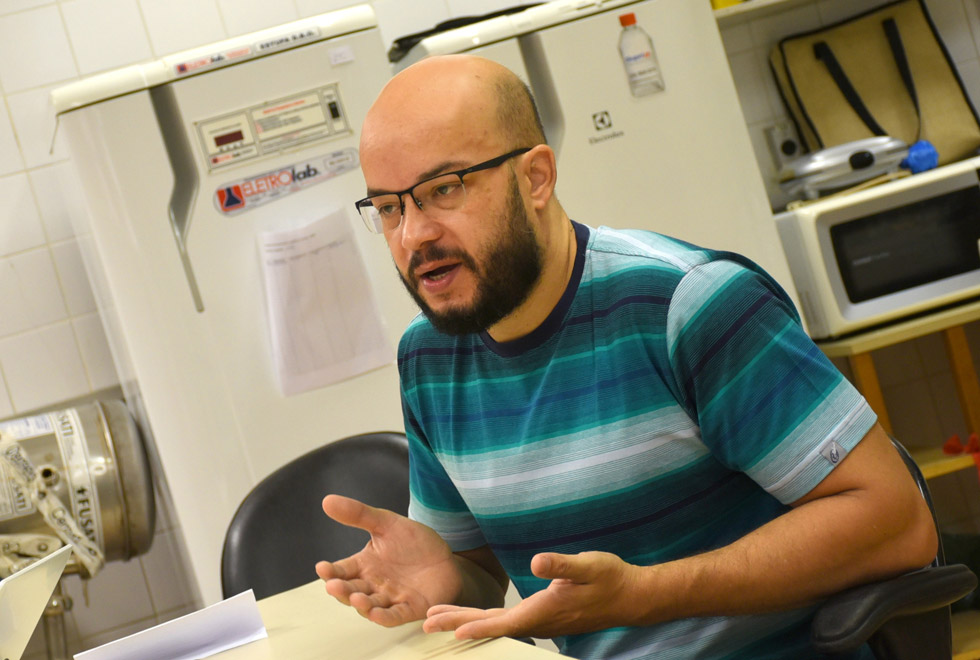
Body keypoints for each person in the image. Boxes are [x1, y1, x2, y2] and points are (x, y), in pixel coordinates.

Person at [315, 54, 938, 659]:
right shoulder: (429, 358)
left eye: (443, 189)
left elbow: (896, 521)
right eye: (390, 207)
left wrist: (642, 595)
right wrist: (447, 579)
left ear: (536, 177)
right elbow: (485, 579)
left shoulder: (686, 304)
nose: (413, 234)